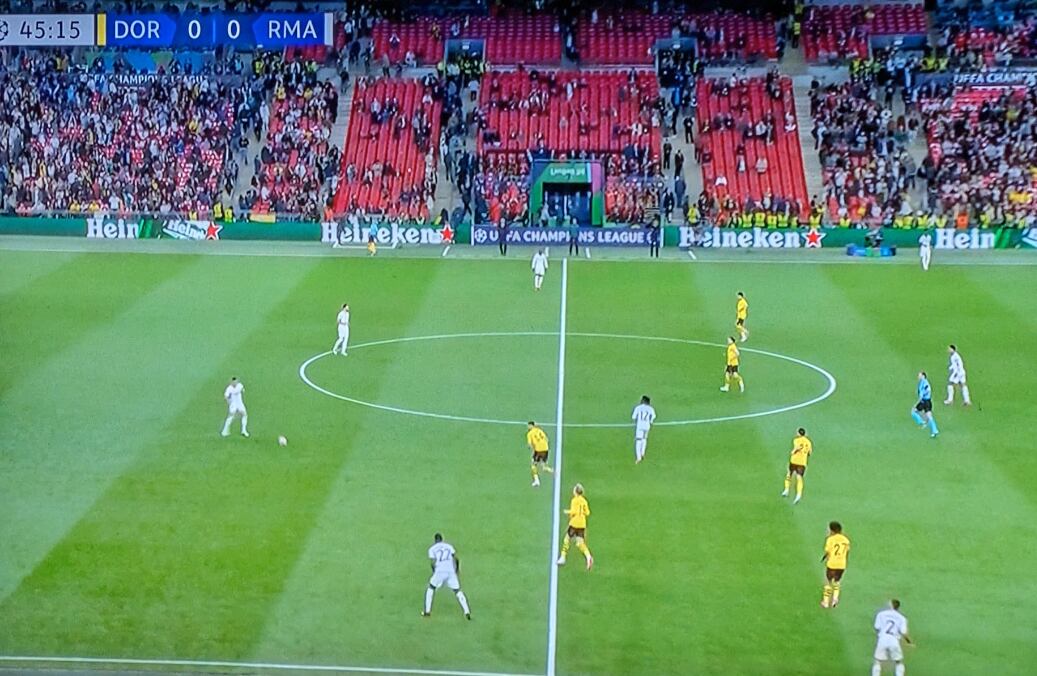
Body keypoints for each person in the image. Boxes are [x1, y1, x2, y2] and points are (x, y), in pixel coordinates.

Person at [421, 533, 472, 620]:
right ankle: (467, 611)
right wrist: (457, 570)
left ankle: (427, 612)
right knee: (457, 591)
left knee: (431, 588)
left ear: (435, 540)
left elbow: (433, 562)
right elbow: (456, 558)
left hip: (440, 571)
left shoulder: (432, 549)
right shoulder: (449, 546)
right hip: (450, 571)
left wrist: (434, 571)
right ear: (442, 539)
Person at [557, 483, 593, 569]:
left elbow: (573, 511)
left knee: (567, 539)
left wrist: (567, 512)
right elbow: (588, 512)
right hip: (582, 524)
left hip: (574, 523)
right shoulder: (584, 501)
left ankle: (563, 557)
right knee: (580, 543)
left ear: (576, 492)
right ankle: (588, 556)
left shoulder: (574, 500)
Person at [873, 599, 913, 676]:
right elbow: (904, 632)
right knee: (898, 662)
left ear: (891, 605)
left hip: (882, 639)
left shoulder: (881, 614)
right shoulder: (902, 618)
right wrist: (909, 642)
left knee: (877, 661)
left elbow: (877, 627)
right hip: (894, 640)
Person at [820, 521, 850, 609]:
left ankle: (825, 602)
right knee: (837, 582)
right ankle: (835, 600)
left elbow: (827, 551)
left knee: (828, 582)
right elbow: (847, 551)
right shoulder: (846, 540)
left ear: (832, 530)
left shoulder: (830, 539)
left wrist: (826, 557)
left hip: (832, 564)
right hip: (842, 564)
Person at [781, 428, 812, 504]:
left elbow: (795, 449)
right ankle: (798, 494)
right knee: (799, 478)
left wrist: (793, 451)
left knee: (789, 475)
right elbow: (810, 453)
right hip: (802, 463)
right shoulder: (809, 442)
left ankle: (786, 490)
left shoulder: (796, 440)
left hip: (794, 461)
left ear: (798, 433)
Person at [911, 371, 939, 438]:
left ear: (923, 376)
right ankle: (933, 430)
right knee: (927, 416)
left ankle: (923, 423)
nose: (918, 376)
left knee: (914, 411)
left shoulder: (924, 383)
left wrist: (916, 404)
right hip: (926, 401)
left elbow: (922, 395)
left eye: (919, 375)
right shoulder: (923, 383)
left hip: (925, 402)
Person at [527, 421, 553, 487]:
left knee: (533, 465)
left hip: (538, 450)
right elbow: (546, 439)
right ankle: (553, 471)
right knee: (544, 466)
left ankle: (536, 481)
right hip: (546, 449)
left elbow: (529, 445)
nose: (528, 427)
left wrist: (532, 447)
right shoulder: (540, 430)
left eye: (529, 425)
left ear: (531, 426)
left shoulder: (529, 434)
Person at [631, 395, 656, 464]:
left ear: (643, 401)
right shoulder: (650, 408)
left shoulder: (638, 408)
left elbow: (633, 417)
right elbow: (654, 416)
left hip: (640, 426)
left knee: (638, 440)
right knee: (644, 439)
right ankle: (643, 453)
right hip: (647, 426)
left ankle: (638, 458)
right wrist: (651, 421)